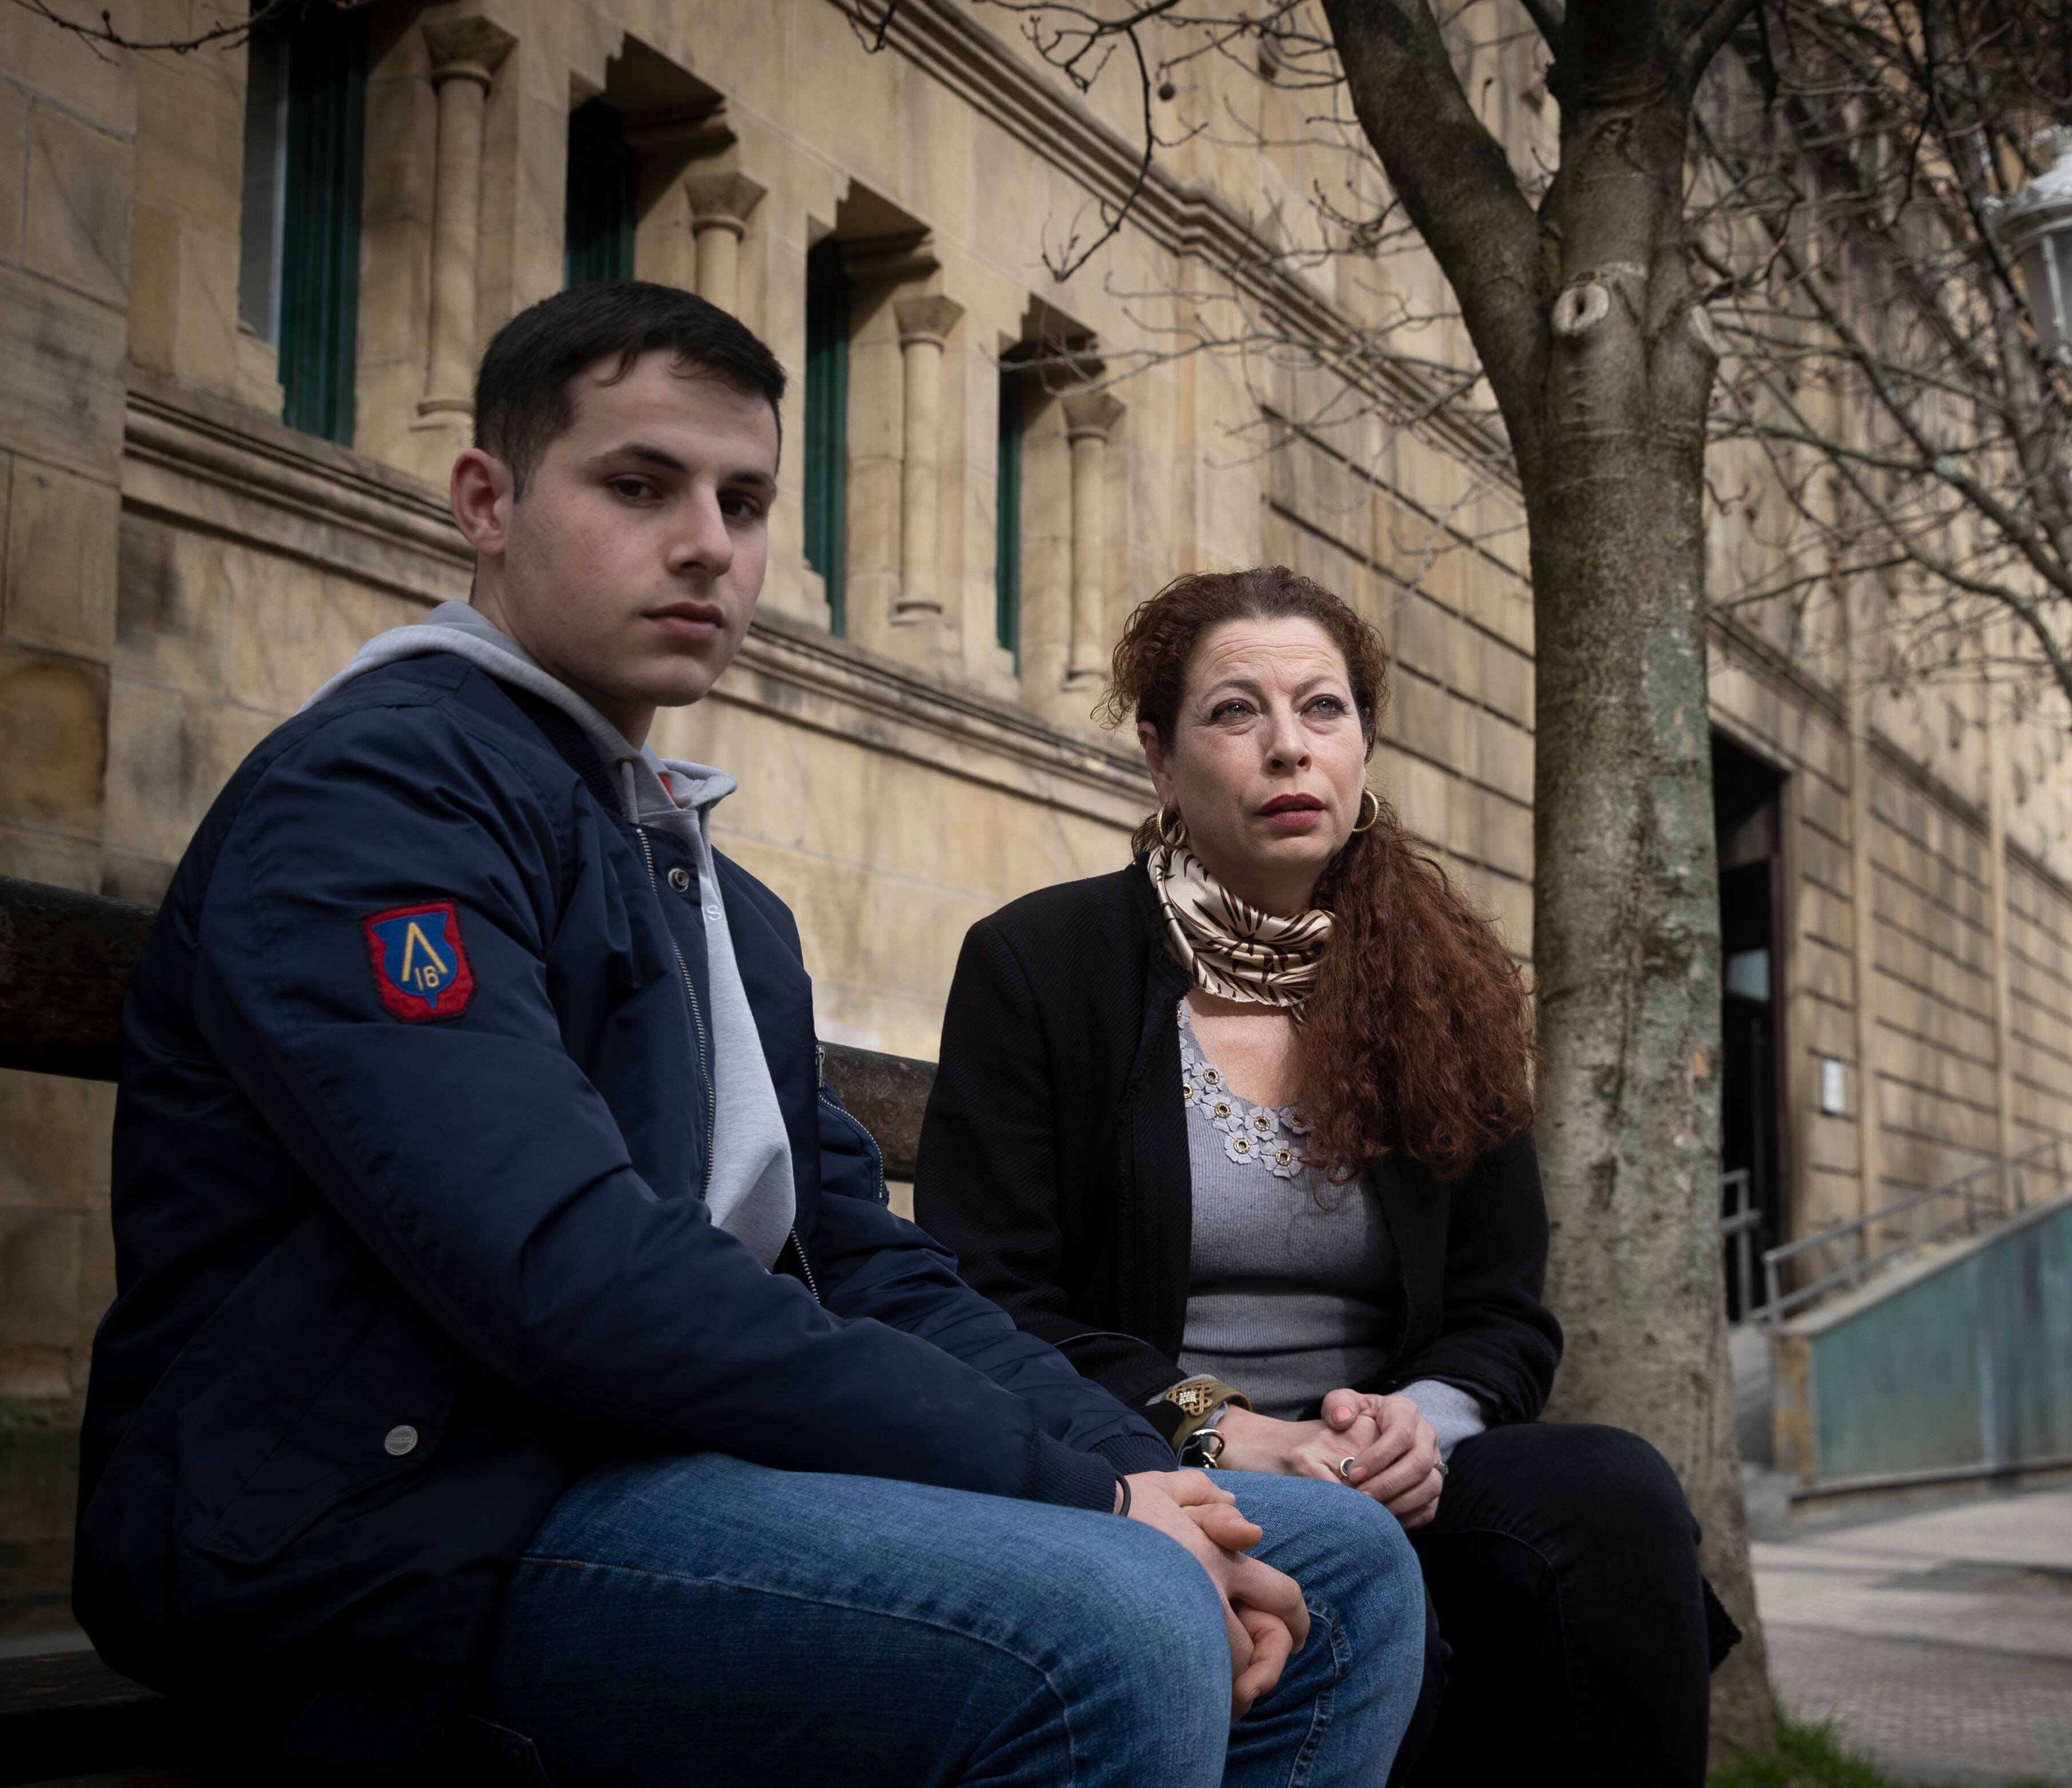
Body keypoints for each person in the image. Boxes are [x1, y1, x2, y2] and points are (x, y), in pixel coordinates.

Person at [74, 284, 1422, 1788]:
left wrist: (1161, 1462)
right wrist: (1088, 1496)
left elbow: (858, 1253)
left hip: (641, 1477)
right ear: (486, 501)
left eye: (745, 498)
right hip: (392, 1532)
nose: (706, 540)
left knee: (1344, 1567)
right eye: (637, 484)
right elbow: (572, 1273)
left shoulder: (709, 886)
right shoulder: (379, 800)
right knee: (1107, 1617)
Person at [914, 566, 1740, 1788]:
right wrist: (1227, 1427)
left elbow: (1504, 1313)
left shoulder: (1445, 980)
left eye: (1323, 710)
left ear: (1363, 745)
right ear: (1159, 758)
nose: (1289, 748)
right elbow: (998, 1300)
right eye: (1236, 713)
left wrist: (1428, 1425)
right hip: (1151, 1457)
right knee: (1352, 1553)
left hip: (1383, 1471)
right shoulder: (1044, 965)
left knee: (1610, 1491)